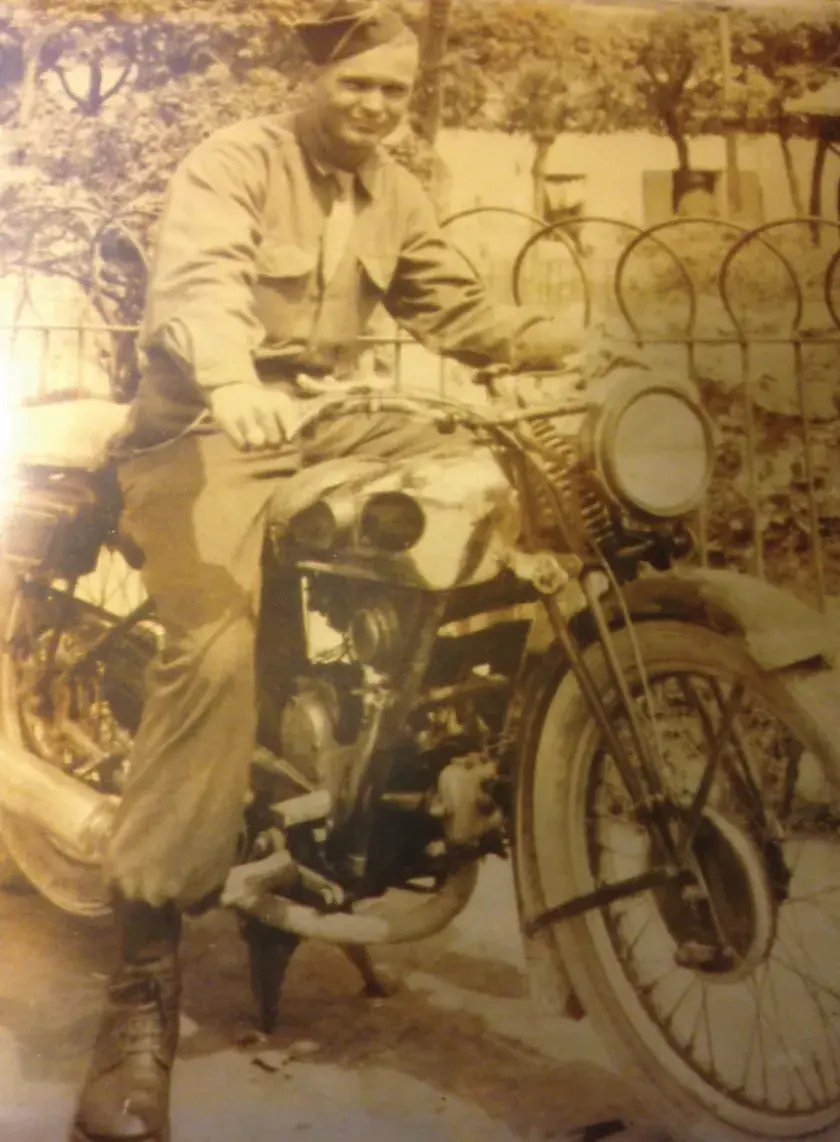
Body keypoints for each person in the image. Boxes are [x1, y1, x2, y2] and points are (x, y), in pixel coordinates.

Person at [69, 4, 580, 1140]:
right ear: (318, 81)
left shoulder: (393, 189)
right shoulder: (237, 163)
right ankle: (140, 996)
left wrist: (566, 344)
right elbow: (199, 288)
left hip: (326, 426)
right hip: (201, 433)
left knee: (485, 494)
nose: (377, 107)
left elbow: (453, 304)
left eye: (395, 91)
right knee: (214, 654)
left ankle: (375, 783)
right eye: (360, 86)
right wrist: (232, 377)